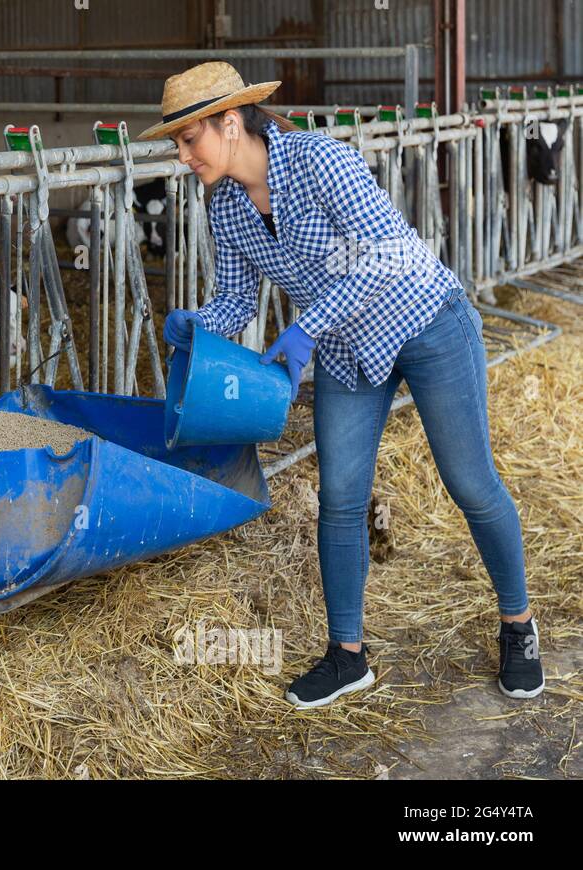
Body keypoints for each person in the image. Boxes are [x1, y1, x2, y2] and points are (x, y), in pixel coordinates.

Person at [139, 62, 543, 708]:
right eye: (177, 144)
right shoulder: (227, 208)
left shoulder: (319, 162)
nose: (183, 156)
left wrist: (306, 329)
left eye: (191, 139)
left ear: (231, 123)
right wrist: (200, 324)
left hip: (425, 321)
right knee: (341, 495)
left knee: (470, 481)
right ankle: (347, 654)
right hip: (349, 348)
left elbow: (385, 256)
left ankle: (519, 626)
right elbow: (238, 300)